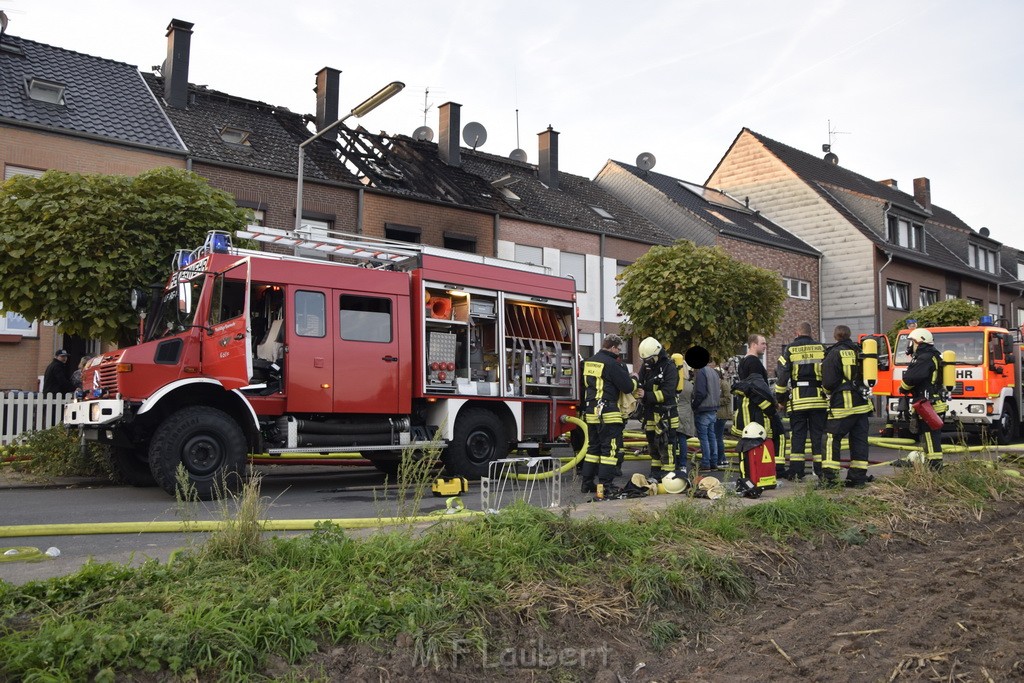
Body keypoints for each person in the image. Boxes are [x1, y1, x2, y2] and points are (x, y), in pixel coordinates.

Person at [580, 334, 638, 494]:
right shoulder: (612, 364)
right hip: (608, 412)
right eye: (618, 349)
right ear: (613, 347)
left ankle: (587, 483)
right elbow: (627, 387)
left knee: (593, 448)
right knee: (609, 450)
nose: (619, 353)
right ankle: (605, 485)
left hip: (591, 411)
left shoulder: (588, 362)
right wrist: (635, 380)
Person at [821, 325, 874, 487]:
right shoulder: (861, 351)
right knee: (859, 440)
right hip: (863, 405)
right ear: (849, 335)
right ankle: (857, 478)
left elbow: (828, 382)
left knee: (830, 438)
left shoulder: (834, 353)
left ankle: (830, 479)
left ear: (836, 336)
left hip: (843, 405)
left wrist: (827, 391)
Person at [774, 322, 827, 481]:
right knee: (818, 435)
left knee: (798, 436)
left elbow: (782, 377)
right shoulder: (821, 348)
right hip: (819, 400)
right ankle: (821, 471)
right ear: (811, 333)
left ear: (797, 332)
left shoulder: (789, 349)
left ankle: (797, 472)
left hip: (798, 400)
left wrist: (781, 399)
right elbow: (829, 372)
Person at [899, 328, 946, 471]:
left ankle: (934, 467)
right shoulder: (932, 355)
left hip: (927, 404)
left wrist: (904, 387)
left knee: (930, 436)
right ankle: (932, 465)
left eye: (912, 342)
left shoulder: (924, 357)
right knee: (929, 437)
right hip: (931, 402)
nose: (910, 345)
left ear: (918, 341)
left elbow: (911, 378)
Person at [637, 337, 680, 481]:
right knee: (653, 444)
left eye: (648, 360)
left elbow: (668, 393)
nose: (646, 363)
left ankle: (668, 475)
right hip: (650, 413)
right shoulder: (647, 367)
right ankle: (655, 473)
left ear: (656, 354)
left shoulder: (669, 367)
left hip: (666, 414)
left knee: (666, 444)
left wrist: (646, 395)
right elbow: (641, 381)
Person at [691, 360, 721, 471]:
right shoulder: (713, 372)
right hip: (713, 409)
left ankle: (706, 463)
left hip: (703, 409)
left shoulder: (701, 373)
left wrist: (694, 405)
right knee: (712, 437)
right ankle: (713, 462)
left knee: (704, 438)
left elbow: (701, 393)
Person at [672, 354, 696, 473]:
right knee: (682, 440)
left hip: (674, 411)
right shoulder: (689, 385)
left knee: (672, 439)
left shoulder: (673, 382)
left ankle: (674, 463)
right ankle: (683, 464)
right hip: (686, 412)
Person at [714, 359, 732, 468]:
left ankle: (720, 459)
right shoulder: (719, 384)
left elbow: (728, 399)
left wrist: (714, 401)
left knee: (718, 437)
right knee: (718, 437)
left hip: (721, 415)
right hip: (718, 414)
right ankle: (723, 459)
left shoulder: (724, 384)